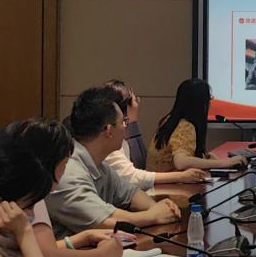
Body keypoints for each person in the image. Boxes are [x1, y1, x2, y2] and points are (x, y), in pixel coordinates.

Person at [44, 87, 183, 237]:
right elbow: (101, 221)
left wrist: (157, 208)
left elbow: (130, 193)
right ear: (109, 130)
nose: (126, 127)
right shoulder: (67, 171)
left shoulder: (99, 165)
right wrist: (152, 216)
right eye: (123, 122)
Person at [0, 119, 124, 257]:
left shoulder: (14, 181)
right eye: (65, 164)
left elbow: (36, 249)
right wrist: (104, 254)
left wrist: (82, 238)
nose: (65, 171)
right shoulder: (31, 192)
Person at [101, 80, 209, 189]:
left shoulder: (119, 137)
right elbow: (131, 177)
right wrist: (181, 176)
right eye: (134, 100)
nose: (137, 103)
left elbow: (136, 171)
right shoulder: (109, 140)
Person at [146, 78, 248, 172]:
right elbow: (181, 163)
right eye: (209, 98)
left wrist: (205, 160)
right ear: (201, 103)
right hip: (168, 184)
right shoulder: (185, 126)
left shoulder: (169, 120)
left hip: (158, 181)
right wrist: (224, 163)